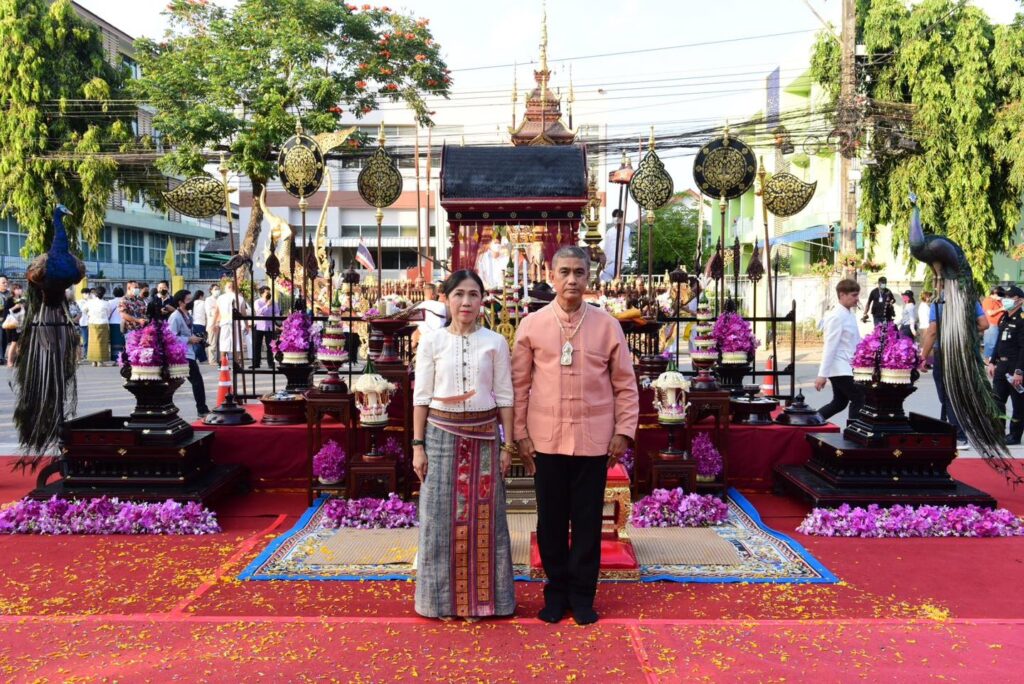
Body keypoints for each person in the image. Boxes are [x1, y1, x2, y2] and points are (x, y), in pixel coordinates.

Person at [512, 246, 639, 626]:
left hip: (594, 440)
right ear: (551, 276)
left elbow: (625, 384)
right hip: (545, 440)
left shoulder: (607, 325)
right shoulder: (532, 325)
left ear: (588, 277)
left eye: (579, 272)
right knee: (550, 522)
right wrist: (519, 434)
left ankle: (583, 595)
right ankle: (555, 593)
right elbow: (519, 385)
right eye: (564, 272)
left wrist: (624, 431)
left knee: (587, 522)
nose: (571, 279)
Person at [411, 269, 516, 621]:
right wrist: (418, 446)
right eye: (459, 294)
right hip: (440, 435)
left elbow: (505, 397)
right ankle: (439, 603)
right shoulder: (432, 342)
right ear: (446, 299)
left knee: (484, 521)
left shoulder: (495, 342)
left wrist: (507, 447)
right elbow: (421, 397)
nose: (466, 302)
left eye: (473, 295)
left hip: (484, 437)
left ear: (482, 300)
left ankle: (484, 602)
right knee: (438, 519)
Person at [921, 288, 989, 446]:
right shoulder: (969, 298)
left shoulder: (939, 301)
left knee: (947, 394)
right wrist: (963, 330)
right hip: (964, 351)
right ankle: (950, 428)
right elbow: (984, 324)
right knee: (957, 392)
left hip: (945, 351)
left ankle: (959, 435)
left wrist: (923, 356)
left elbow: (932, 331)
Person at [814, 279, 864, 423]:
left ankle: (811, 421)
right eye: (854, 295)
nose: (857, 299)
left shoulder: (849, 313)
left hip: (847, 365)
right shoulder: (836, 316)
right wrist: (822, 375)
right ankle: (854, 431)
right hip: (840, 367)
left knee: (839, 402)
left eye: (857, 295)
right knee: (859, 398)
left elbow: (855, 340)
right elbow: (830, 346)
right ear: (842, 295)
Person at [987, 285, 1024, 445]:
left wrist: (1019, 371)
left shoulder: (1022, 320)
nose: (1006, 300)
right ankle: (998, 432)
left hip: (1015, 367)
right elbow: (998, 342)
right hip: (1001, 367)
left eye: (1010, 297)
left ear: (1020, 300)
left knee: (1018, 404)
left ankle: (1015, 435)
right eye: (1005, 297)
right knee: (996, 401)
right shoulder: (1004, 317)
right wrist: (992, 362)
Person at [168, 290, 210, 418]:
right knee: (197, 381)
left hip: (189, 352)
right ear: (180, 302)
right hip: (181, 354)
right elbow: (170, 337)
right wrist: (188, 339)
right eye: (188, 300)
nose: (191, 302)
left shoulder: (188, 315)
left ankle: (202, 408)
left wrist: (197, 338)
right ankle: (202, 409)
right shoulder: (175, 316)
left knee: (193, 381)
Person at [212, 281, 249, 363]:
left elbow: (216, 312)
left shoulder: (221, 298)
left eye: (225, 287)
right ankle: (236, 363)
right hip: (237, 323)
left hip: (225, 322)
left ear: (228, 287)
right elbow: (244, 313)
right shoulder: (240, 298)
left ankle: (223, 363)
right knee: (237, 343)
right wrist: (246, 325)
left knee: (224, 343)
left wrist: (213, 324)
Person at [252, 286, 279, 369]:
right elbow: (258, 312)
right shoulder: (257, 302)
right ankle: (256, 363)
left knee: (270, 345)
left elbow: (277, 313)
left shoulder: (274, 302)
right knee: (257, 345)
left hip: (269, 326)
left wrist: (275, 318)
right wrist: (267, 305)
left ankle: (270, 363)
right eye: (267, 292)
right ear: (262, 294)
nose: (268, 294)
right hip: (259, 325)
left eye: (269, 292)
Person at [85, 286, 111, 367]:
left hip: (92, 322)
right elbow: (108, 313)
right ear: (104, 294)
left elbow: (84, 310)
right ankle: (100, 361)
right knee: (102, 342)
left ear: (95, 293)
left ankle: (94, 361)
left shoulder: (90, 302)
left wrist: (89, 314)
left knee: (92, 342)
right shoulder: (106, 303)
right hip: (103, 323)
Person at [982, 286, 1006, 362]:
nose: (1001, 298)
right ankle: (987, 361)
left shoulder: (998, 301)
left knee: (996, 343)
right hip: (991, 325)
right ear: (995, 294)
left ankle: (993, 360)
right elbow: (990, 313)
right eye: (1000, 296)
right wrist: (1001, 309)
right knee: (990, 344)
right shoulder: (988, 301)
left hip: (999, 325)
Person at [5, 284, 25, 367]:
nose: (19, 290)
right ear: (13, 290)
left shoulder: (23, 299)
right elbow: (6, 311)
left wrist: (23, 306)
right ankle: (9, 361)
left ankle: (18, 360)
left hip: (22, 323)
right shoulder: (10, 299)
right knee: (14, 343)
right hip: (13, 324)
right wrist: (15, 307)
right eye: (16, 289)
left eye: (20, 288)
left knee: (20, 343)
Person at [205, 284, 221, 366]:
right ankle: (212, 360)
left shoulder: (221, 299)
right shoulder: (208, 300)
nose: (217, 291)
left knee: (220, 344)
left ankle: (219, 360)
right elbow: (210, 312)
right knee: (212, 343)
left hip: (220, 323)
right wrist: (217, 310)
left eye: (218, 289)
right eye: (215, 289)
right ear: (211, 291)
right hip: (212, 324)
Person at [191, 290, 208, 364]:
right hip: (201, 324)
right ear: (201, 296)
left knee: (195, 341)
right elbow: (207, 313)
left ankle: (199, 357)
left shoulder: (192, 303)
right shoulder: (204, 303)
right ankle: (200, 358)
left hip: (193, 324)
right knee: (201, 341)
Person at [108, 286, 124, 363]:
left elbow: (108, 313)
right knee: (122, 341)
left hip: (113, 323)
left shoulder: (110, 302)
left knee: (114, 341)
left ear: (114, 293)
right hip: (123, 322)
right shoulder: (125, 301)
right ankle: (123, 358)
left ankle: (115, 358)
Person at [79, 286, 91, 361]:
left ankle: (90, 354)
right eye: (84, 293)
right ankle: (85, 354)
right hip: (83, 323)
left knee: (91, 340)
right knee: (85, 340)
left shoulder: (92, 301)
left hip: (91, 323)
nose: (86, 294)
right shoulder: (79, 302)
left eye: (87, 293)